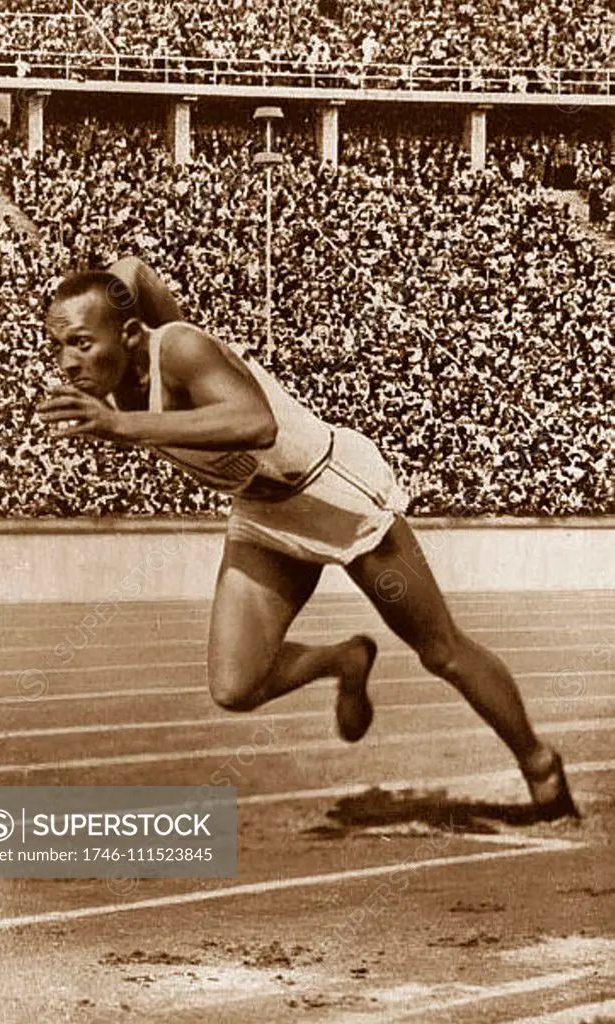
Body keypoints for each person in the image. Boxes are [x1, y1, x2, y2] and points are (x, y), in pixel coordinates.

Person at [38, 257, 580, 823]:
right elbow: (132, 271)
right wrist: (106, 305)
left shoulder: (180, 351)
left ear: (126, 332)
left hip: (332, 494)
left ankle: (539, 764)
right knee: (235, 685)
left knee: (441, 650)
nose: (68, 363)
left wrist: (124, 425)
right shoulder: (119, 376)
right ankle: (343, 659)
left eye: (80, 343)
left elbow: (257, 424)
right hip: (263, 515)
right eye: (59, 348)